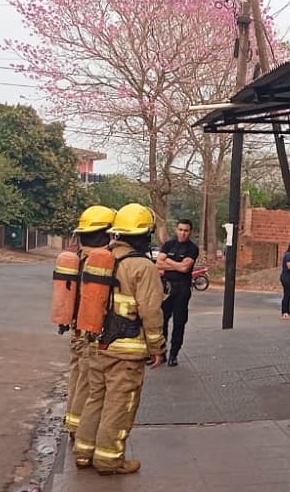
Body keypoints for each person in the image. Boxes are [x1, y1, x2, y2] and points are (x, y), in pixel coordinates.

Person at [73, 203, 166, 476]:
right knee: (120, 405)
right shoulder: (142, 266)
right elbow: (151, 311)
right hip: (126, 352)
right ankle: (109, 460)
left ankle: (83, 453)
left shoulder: (98, 258)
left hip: (96, 345)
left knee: (95, 399)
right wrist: (157, 347)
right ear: (142, 235)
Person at [63, 205, 116, 437]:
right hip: (91, 333)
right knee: (88, 382)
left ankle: (72, 422)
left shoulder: (76, 259)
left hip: (76, 330)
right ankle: (79, 428)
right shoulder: (102, 262)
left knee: (77, 376)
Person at [156, 218, 199, 367]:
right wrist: (177, 264)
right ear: (176, 230)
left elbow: (184, 269)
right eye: (180, 230)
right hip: (167, 289)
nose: (183, 233)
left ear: (190, 232)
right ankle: (160, 353)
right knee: (162, 322)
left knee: (179, 323)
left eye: (186, 231)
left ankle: (174, 354)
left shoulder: (192, 248)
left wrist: (168, 261)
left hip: (182, 289)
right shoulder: (168, 244)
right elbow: (158, 264)